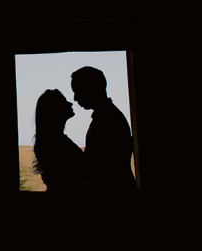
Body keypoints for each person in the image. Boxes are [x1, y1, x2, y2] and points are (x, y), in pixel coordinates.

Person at [71, 66, 137, 196]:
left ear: (90, 89)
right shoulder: (108, 117)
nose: (75, 98)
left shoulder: (108, 120)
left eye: (77, 91)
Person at [32, 89, 86, 195]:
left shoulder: (51, 141)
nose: (70, 103)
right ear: (54, 110)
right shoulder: (57, 143)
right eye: (63, 101)